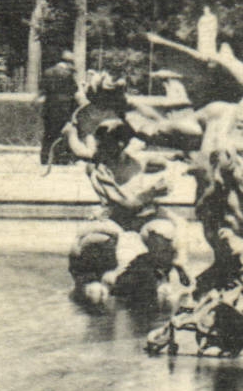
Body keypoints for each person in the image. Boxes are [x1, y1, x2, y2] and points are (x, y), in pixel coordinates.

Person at [63, 117, 184, 304]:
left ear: (121, 144)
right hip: (116, 218)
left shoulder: (137, 159)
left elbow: (164, 162)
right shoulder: (99, 168)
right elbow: (127, 204)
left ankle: (162, 273)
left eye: (104, 143)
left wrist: (174, 165)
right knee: (94, 239)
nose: (99, 148)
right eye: (99, 143)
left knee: (164, 232)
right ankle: (93, 278)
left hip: (143, 218)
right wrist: (152, 192)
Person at [38, 52, 78, 165]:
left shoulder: (48, 72)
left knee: (48, 133)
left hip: (49, 108)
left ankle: (45, 158)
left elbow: (42, 89)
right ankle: (59, 158)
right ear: (68, 63)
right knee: (62, 133)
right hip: (63, 108)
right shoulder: (68, 74)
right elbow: (74, 89)